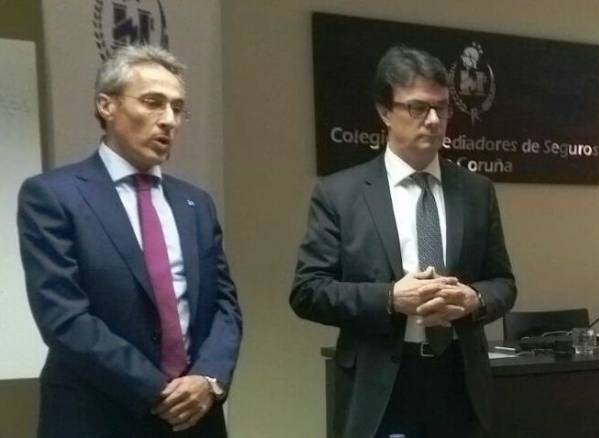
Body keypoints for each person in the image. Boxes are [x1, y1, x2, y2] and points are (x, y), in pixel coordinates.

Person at [290, 45, 516, 438]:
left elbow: (503, 283)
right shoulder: (340, 194)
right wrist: (391, 298)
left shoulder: (476, 191)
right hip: (379, 384)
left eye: (442, 108)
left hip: (458, 380)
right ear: (384, 111)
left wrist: (474, 299)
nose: (434, 120)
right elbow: (308, 292)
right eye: (417, 108)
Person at [17, 45, 241, 437]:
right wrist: (160, 391)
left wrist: (208, 379)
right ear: (106, 105)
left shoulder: (195, 204)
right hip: (97, 415)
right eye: (153, 103)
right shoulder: (52, 196)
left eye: (177, 108)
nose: (168, 120)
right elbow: (63, 317)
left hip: (196, 417)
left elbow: (224, 305)